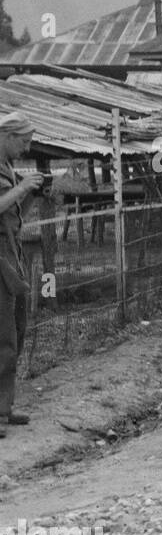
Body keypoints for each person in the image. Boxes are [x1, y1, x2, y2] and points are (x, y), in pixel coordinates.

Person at [0, 113, 42, 437]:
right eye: (24, 141)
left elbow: (14, 215)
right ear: (7, 135)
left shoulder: (9, 170)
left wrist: (30, 194)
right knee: (3, 337)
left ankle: (5, 407)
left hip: (11, 256)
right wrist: (22, 187)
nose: (26, 148)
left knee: (16, 331)